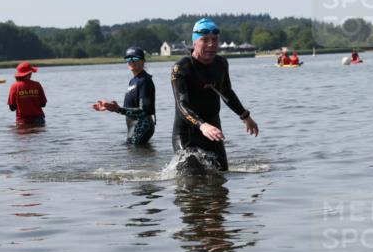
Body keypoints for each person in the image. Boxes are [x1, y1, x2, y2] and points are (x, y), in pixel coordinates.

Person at [171, 18, 259, 170]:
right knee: (191, 178)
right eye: (205, 40)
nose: (211, 45)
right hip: (187, 134)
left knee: (221, 175)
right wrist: (202, 125)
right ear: (195, 43)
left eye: (215, 40)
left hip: (213, 131)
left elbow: (227, 92)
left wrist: (245, 116)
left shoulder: (221, 63)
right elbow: (181, 106)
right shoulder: (181, 68)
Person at [92, 46, 156, 144]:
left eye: (135, 58)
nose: (131, 61)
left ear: (143, 61)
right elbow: (130, 107)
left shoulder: (145, 81)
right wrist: (109, 107)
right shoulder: (133, 81)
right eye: (128, 59)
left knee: (137, 155)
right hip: (133, 126)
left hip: (142, 126)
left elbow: (144, 111)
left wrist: (117, 109)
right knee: (132, 154)